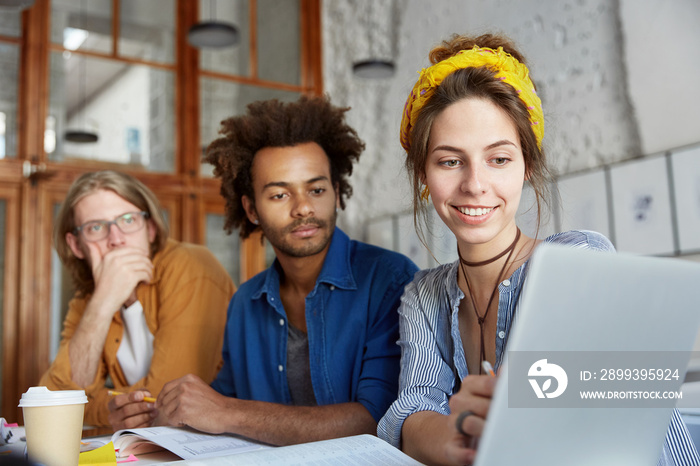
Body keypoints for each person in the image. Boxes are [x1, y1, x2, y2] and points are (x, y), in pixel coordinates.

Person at [376, 33, 699, 465]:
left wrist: (525, 399)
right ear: (423, 174)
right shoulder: (423, 296)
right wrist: (463, 438)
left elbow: (630, 391)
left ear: (527, 166)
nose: (474, 184)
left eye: (499, 159)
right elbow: (411, 416)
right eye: (450, 161)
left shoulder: (579, 261)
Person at [155, 95, 419, 446]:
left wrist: (226, 413)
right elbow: (219, 403)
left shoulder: (390, 280)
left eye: (317, 189)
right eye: (280, 195)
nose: (303, 208)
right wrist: (167, 412)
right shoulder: (245, 303)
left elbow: (377, 420)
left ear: (336, 193)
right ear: (251, 209)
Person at [40, 170, 235, 430]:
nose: (116, 239)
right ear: (76, 245)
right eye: (96, 227)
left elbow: (171, 405)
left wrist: (96, 407)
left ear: (151, 229)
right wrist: (104, 300)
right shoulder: (89, 300)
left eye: (128, 220)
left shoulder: (191, 266)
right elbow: (50, 402)